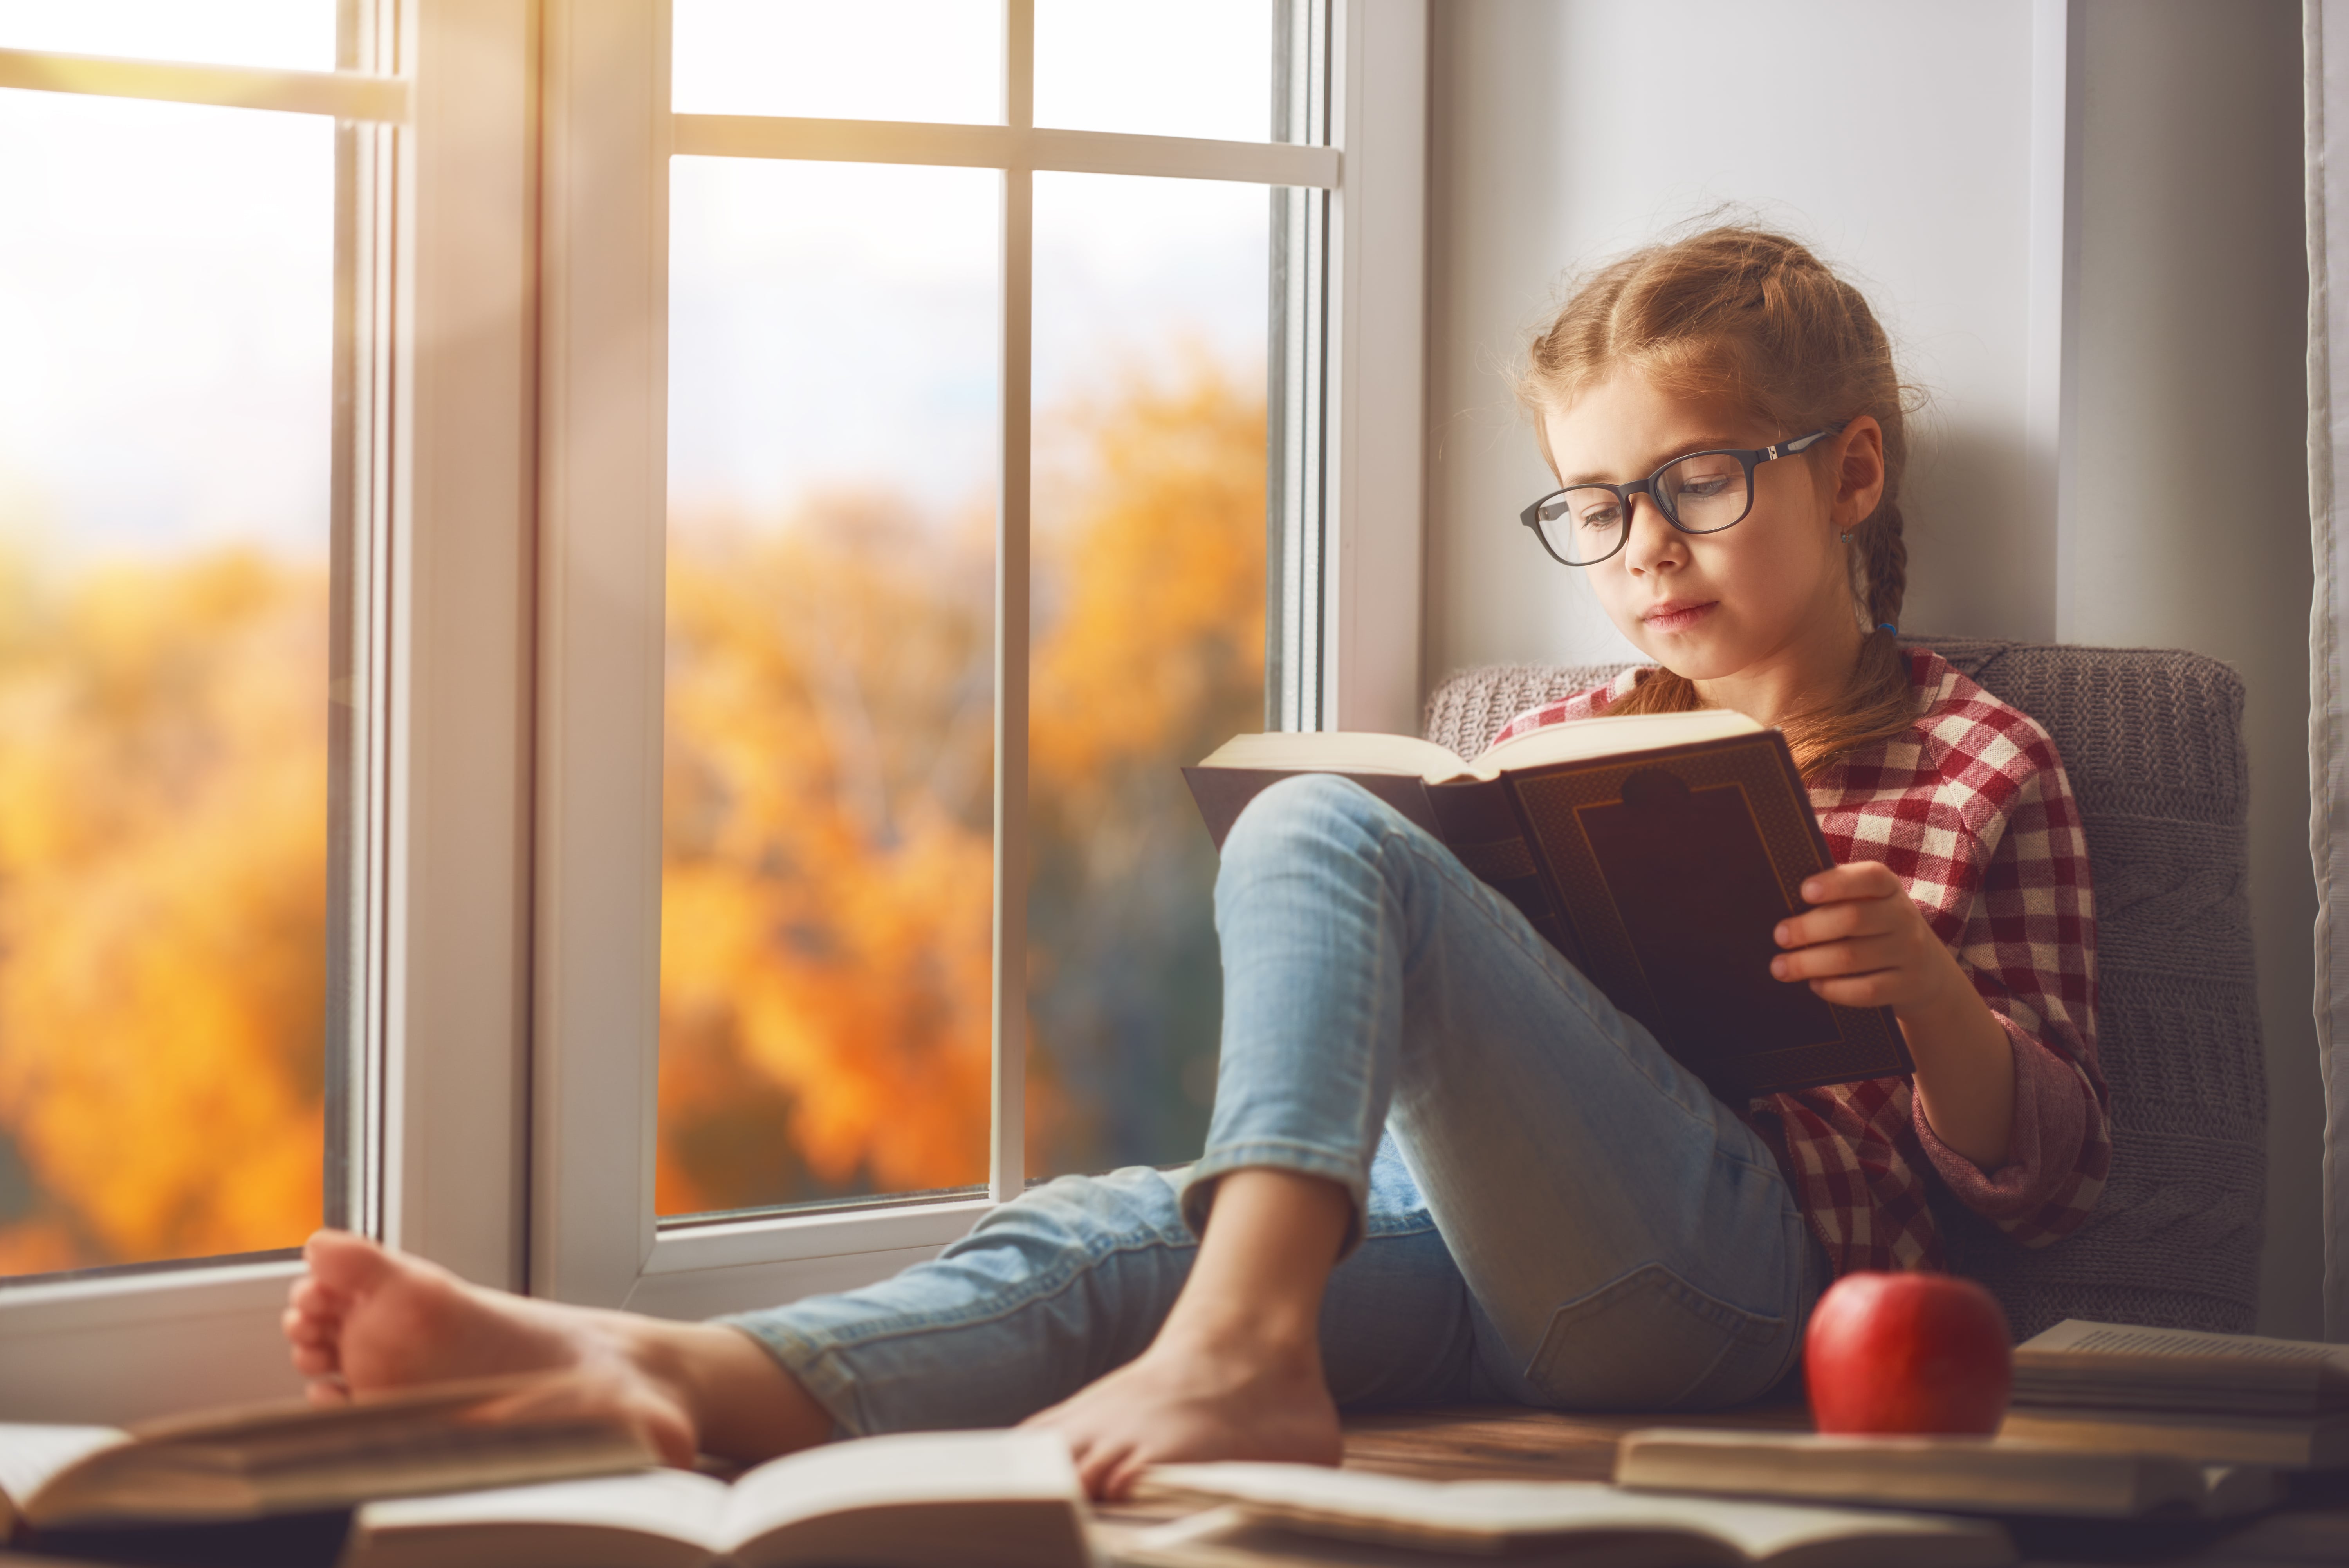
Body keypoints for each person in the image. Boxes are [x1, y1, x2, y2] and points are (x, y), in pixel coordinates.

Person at [282, 227, 2110, 1501]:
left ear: (1852, 474)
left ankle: (1241, 1355)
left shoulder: (1971, 761)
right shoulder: (1556, 743)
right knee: (1096, 1242)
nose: (1643, 548)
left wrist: (1933, 1004)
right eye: (1596, 507)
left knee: (1326, 824)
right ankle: (657, 1376)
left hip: (1742, 1281)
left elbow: (2047, 1176)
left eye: (1699, 483)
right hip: (1484, 1259)